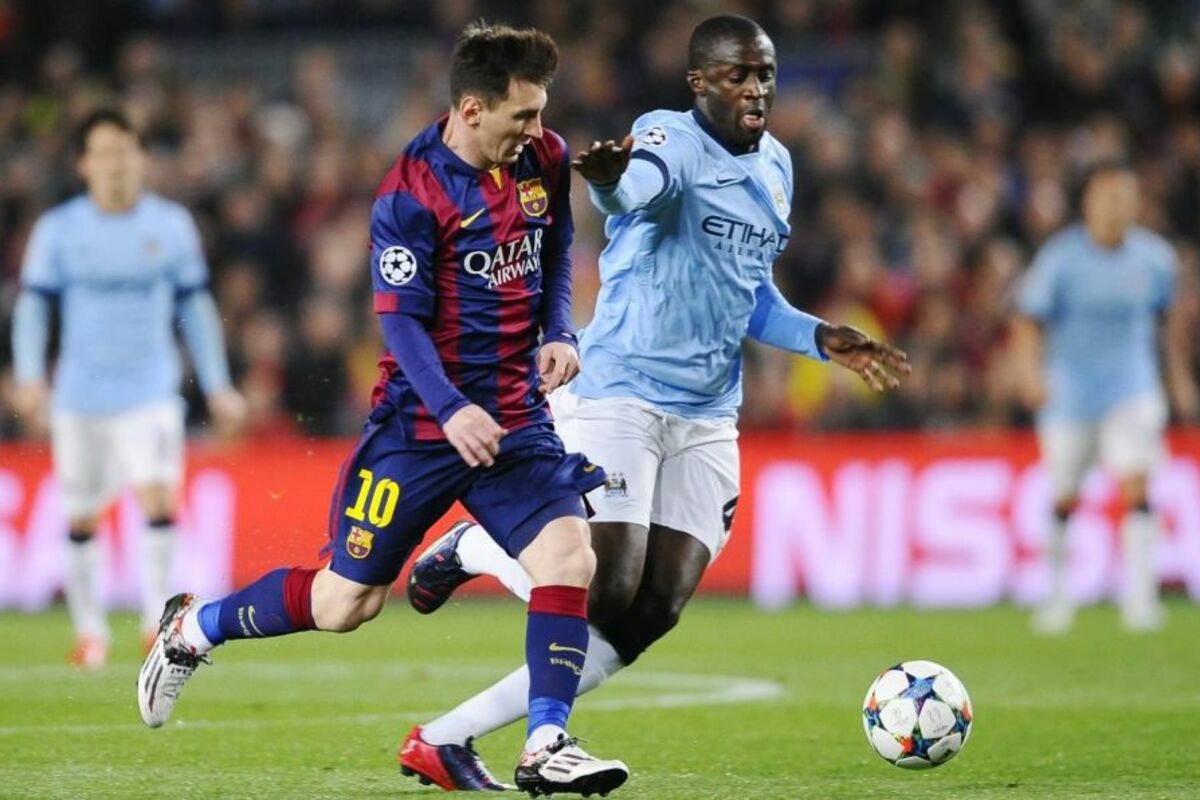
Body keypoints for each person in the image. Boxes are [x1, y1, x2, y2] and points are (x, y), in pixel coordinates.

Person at [398, 14, 910, 786]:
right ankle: (479, 556)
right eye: (737, 74)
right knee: (604, 583)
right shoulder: (668, 137)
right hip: (621, 391)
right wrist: (609, 179)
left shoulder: (777, 167)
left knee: (654, 608)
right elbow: (633, 190)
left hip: (708, 413)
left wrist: (820, 337)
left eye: (766, 74)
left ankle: (446, 738)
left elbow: (748, 294)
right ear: (699, 82)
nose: (756, 89)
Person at [136, 23, 629, 797]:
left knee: (571, 559)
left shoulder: (543, 157)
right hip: (421, 426)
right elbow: (399, 323)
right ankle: (194, 627)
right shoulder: (411, 191)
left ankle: (546, 743)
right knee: (346, 603)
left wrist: (560, 330)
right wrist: (452, 409)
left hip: (515, 418)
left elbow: (558, 246)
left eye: (540, 113)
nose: (538, 129)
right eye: (523, 115)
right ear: (473, 109)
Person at [11, 108, 245, 669]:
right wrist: (28, 375)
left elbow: (197, 307)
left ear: (141, 158)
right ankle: (90, 632)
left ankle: (151, 625)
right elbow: (33, 307)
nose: (116, 163)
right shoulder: (59, 230)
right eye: (105, 153)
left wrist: (218, 385)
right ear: (84, 163)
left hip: (151, 390)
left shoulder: (170, 225)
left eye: (125, 151)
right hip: (80, 396)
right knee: (81, 516)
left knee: (158, 497)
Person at [1013, 159, 1197, 635]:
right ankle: (1057, 595)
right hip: (1069, 395)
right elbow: (1028, 321)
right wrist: (1030, 374)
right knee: (1065, 497)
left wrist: (1178, 379)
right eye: (1108, 195)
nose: (1117, 205)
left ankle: (1141, 599)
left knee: (1137, 486)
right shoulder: (1060, 259)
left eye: (1125, 196)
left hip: (1133, 389)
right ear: (1088, 202)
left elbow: (1166, 324)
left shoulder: (1155, 258)